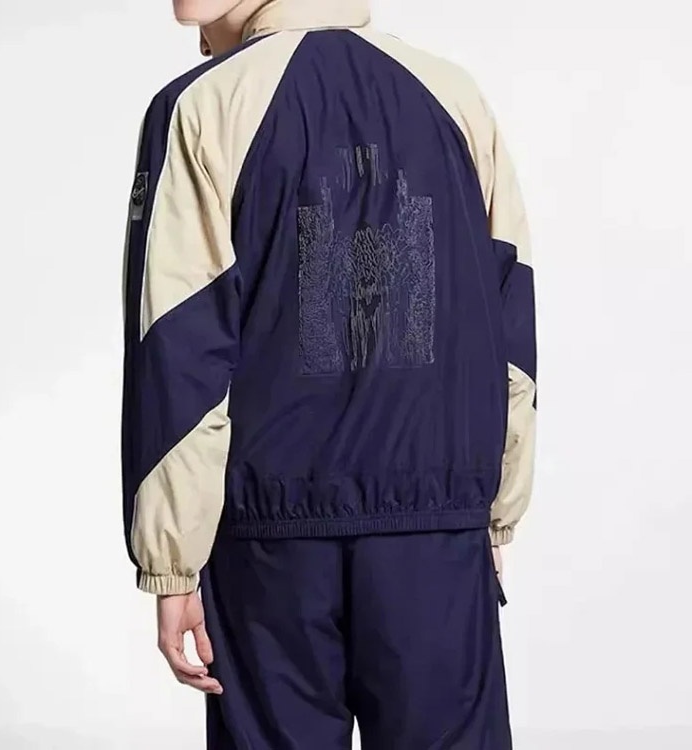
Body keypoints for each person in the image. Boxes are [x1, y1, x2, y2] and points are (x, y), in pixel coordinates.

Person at [120, 0, 537, 747]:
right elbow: (508, 317)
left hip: (271, 542)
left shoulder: (202, 106)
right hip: (435, 527)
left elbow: (178, 345)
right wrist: (493, 505)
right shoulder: (451, 94)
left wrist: (172, 564)